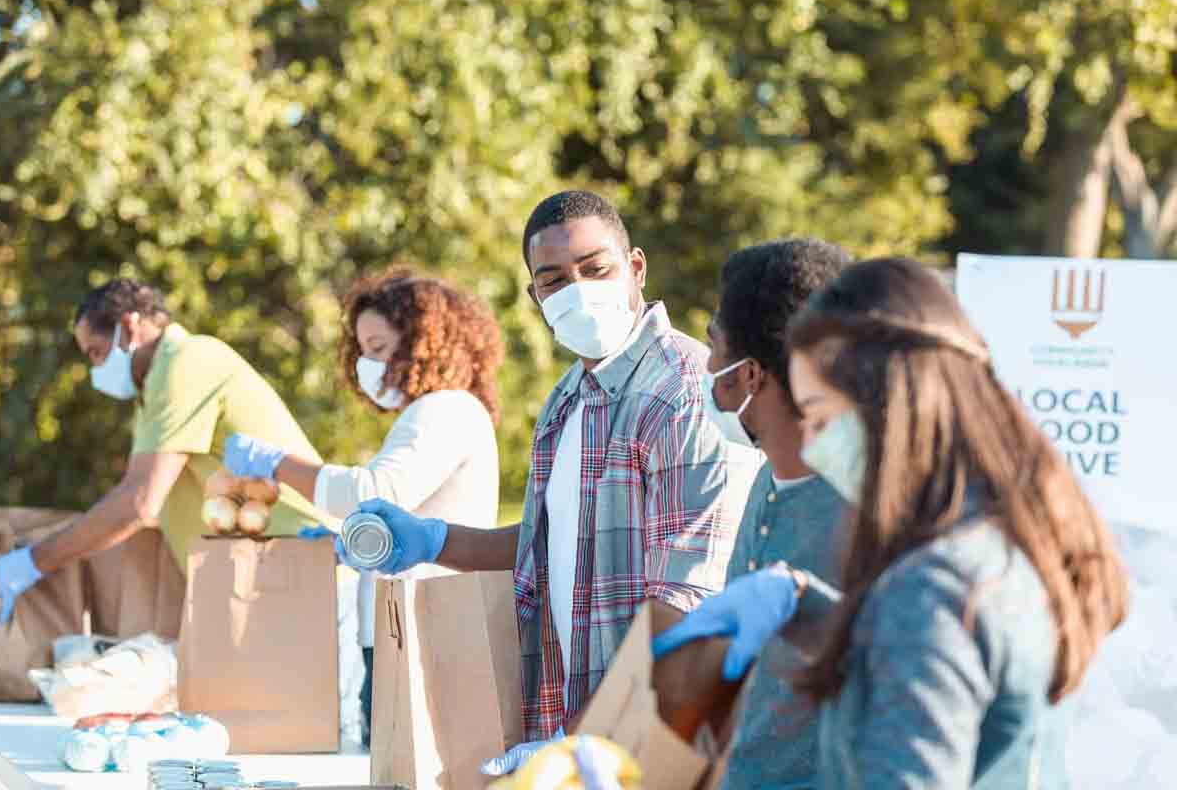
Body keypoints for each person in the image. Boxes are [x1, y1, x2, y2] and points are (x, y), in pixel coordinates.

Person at [656, 257, 1128, 787]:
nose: (810, 444)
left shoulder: (935, 585)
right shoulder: (1004, 536)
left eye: (821, 417)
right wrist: (806, 606)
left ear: (888, 401)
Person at [338, 190, 762, 771]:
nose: (579, 290)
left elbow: (688, 606)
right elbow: (549, 547)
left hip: (648, 745)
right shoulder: (567, 401)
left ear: (635, 267)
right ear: (535, 295)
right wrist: (437, 540)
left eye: (596, 268)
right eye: (556, 279)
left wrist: (586, 738)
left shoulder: (684, 394)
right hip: (570, 732)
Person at [222, 267, 505, 746]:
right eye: (363, 351)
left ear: (422, 340)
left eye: (377, 348)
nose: (368, 365)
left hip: (427, 631)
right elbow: (405, 514)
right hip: (406, 628)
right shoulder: (434, 413)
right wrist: (351, 544)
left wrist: (276, 464)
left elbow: (375, 491)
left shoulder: (445, 410)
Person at [0, 279, 325, 614]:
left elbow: (138, 502)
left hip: (299, 564)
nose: (96, 370)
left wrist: (30, 563)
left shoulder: (185, 361)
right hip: (264, 575)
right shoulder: (151, 391)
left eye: (96, 352)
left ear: (128, 325)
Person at [696, 239, 849, 790]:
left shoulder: (868, 512)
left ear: (750, 374)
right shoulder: (766, 479)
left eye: (714, 345)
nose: (706, 366)